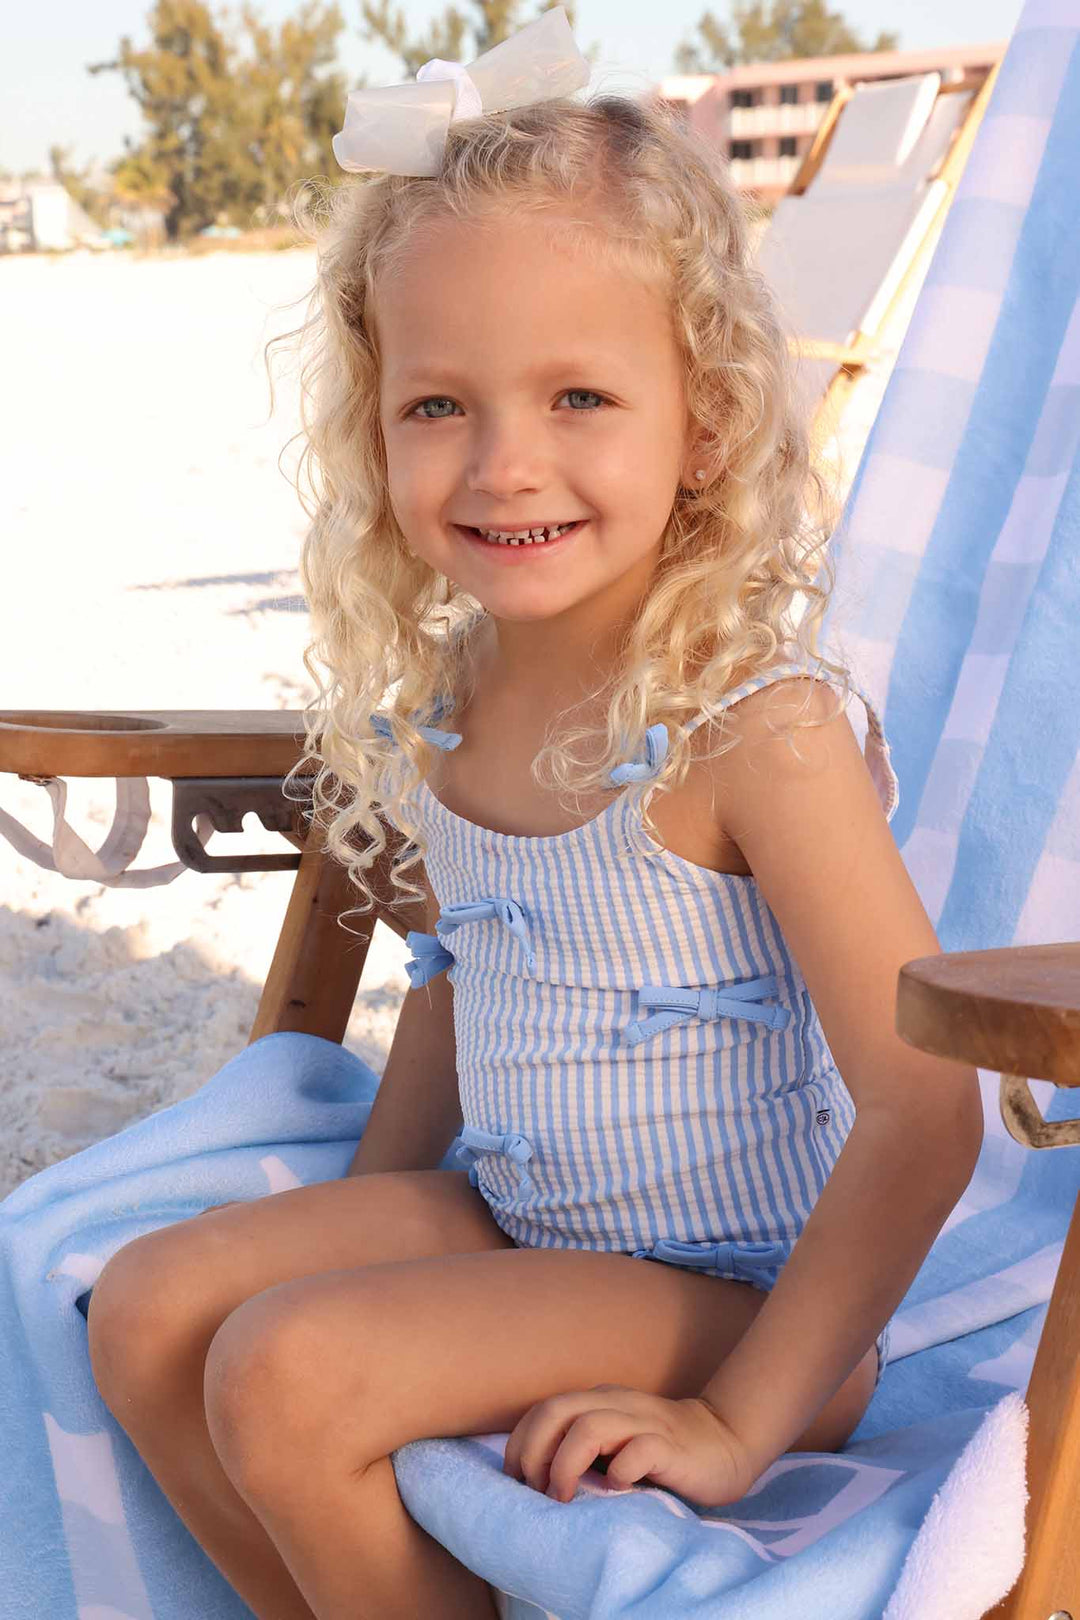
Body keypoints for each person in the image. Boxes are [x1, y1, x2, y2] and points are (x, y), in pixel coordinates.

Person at [84, 14, 985, 1619]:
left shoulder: (749, 729)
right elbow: (468, 977)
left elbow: (928, 1114)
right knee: (152, 1306)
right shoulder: (461, 687)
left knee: (289, 1369)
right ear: (376, 427)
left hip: (735, 1303)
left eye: (580, 396)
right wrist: (376, 1224)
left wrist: (734, 1419)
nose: (507, 466)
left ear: (703, 420)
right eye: (440, 406)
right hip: (520, 1219)